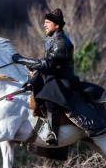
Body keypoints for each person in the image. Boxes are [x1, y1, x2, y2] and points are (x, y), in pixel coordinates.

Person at [12, 8, 76, 146]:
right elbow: (47, 64)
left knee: (48, 92)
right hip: (53, 75)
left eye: (47, 22)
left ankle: (53, 132)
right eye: (45, 22)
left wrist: (23, 60)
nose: (44, 25)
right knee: (29, 86)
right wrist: (33, 68)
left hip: (63, 80)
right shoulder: (51, 39)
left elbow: (48, 63)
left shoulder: (62, 43)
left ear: (57, 25)